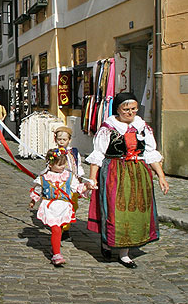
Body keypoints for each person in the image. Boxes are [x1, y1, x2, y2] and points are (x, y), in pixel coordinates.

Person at [85, 92, 170, 269]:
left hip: (138, 174)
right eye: (126, 109)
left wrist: (161, 176)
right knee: (116, 211)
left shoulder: (142, 127)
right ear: (118, 110)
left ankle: (125, 254)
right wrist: (92, 178)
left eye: (133, 109)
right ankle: (107, 242)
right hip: (114, 172)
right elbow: (98, 155)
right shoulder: (108, 127)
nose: (130, 112)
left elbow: (150, 153)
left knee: (135, 213)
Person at [29, 148, 95, 266]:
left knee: (59, 229)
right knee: (56, 229)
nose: (62, 166)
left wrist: (87, 187)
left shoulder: (69, 176)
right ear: (50, 164)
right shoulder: (44, 177)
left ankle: (54, 248)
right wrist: (33, 200)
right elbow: (38, 189)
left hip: (63, 206)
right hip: (50, 207)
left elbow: (77, 188)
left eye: (63, 164)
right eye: (59, 164)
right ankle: (57, 254)